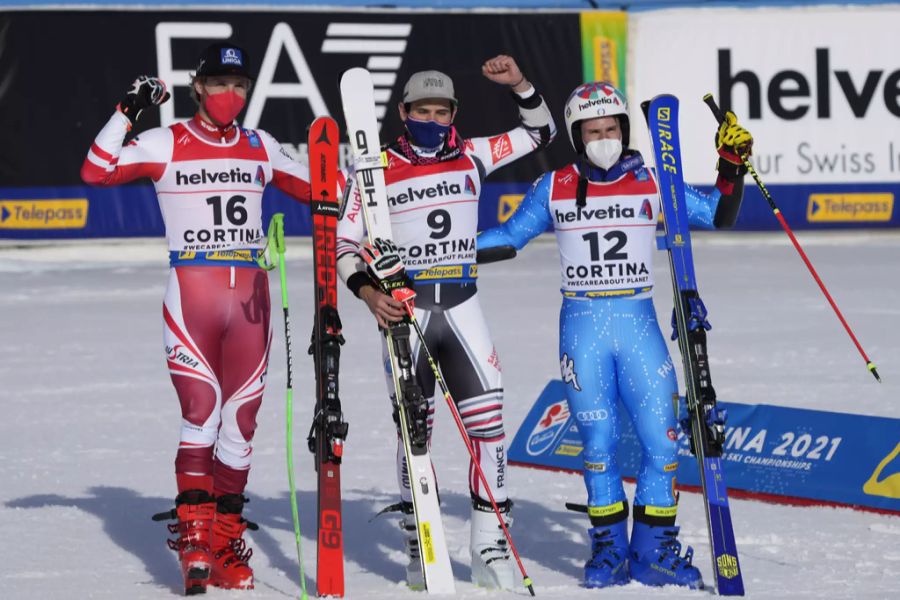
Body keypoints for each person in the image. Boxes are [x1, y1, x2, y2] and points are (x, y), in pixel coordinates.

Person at [477, 81, 752, 589]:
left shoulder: (652, 180)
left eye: (611, 128)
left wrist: (731, 165)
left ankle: (653, 551)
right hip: (582, 329)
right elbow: (508, 238)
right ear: (578, 136)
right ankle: (608, 552)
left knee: (662, 442)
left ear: (624, 130)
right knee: (598, 446)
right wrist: (441, 254)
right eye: (591, 130)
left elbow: (718, 213)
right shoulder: (555, 185)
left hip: (638, 325)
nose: (603, 137)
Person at [80, 42, 312, 594]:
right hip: (192, 293)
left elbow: (330, 191)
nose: (229, 95)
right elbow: (95, 172)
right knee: (201, 414)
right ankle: (194, 540)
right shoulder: (166, 141)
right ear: (198, 88)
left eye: (240, 86)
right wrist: (127, 110)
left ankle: (225, 538)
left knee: (242, 426)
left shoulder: (262, 146)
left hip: (252, 297)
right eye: (219, 84)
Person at [336, 55, 556, 589]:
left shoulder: (474, 155)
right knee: (415, 434)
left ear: (453, 114)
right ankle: (421, 545)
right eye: (422, 111)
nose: (432, 121)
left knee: (490, 428)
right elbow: (342, 245)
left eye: (442, 111)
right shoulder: (373, 169)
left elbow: (541, 131)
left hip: (461, 307)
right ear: (403, 111)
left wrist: (520, 85)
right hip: (404, 314)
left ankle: (489, 547)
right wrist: (368, 292)